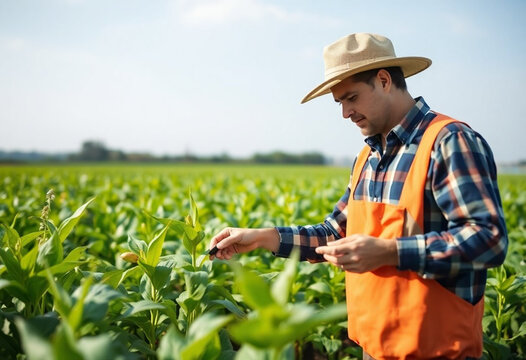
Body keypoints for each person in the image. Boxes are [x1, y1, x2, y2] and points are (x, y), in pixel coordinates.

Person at [209, 33, 508, 359]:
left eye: (351, 97)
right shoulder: (367, 158)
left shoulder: (449, 141)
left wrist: (389, 252)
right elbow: (334, 233)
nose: (345, 113)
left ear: (383, 81)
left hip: (437, 350)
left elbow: (489, 240)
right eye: (339, 102)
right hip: (373, 347)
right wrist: (262, 238)